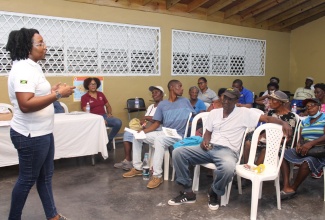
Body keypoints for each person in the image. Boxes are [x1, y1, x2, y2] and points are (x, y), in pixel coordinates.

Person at [168, 87, 292, 210]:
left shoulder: (244, 113)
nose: (226, 101)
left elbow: (267, 118)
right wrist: (205, 141)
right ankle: (188, 192)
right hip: (210, 148)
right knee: (178, 152)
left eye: (230, 99)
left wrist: (283, 123)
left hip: (227, 152)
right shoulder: (214, 113)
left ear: (236, 100)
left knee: (228, 168)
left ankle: (214, 191)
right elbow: (207, 132)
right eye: (225, 97)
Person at [6, 28, 75, 220]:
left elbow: (34, 94)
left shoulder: (32, 66)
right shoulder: (23, 69)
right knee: (27, 180)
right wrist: (58, 94)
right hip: (31, 136)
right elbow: (26, 104)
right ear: (28, 48)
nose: (45, 47)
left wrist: (51, 91)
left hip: (43, 133)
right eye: (40, 43)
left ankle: (52, 216)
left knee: (45, 178)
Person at [123, 80, 195, 189]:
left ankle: (157, 176)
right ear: (172, 87)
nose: (182, 89)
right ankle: (137, 167)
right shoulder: (163, 104)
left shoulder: (184, 101)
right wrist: (143, 131)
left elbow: (193, 117)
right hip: (165, 132)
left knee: (159, 140)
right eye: (179, 86)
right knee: (137, 136)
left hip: (178, 134)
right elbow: (157, 123)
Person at [280, 98, 325, 200]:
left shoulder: (324, 118)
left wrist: (311, 144)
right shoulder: (305, 121)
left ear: (319, 106)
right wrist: (299, 144)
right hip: (305, 149)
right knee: (283, 154)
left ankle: (293, 188)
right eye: (308, 106)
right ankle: (286, 185)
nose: (310, 108)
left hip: (319, 151)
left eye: (312, 105)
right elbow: (300, 138)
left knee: (307, 162)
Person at [114, 86, 164, 170]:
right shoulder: (151, 106)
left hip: (156, 129)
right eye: (153, 93)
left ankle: (137, 166)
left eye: (156, 92)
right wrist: (142, 122)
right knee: (127, 133)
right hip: (146, 128)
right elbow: (146, 120)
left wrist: (147, 118)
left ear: (162, 94)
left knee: (136, 136)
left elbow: (160, 120)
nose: (154, 94)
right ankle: (128, 160)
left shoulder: (164, 105)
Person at [244, 91, 297, 165]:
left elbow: (288, 137)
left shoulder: (290, 116)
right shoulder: (271, 113)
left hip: (281, 143)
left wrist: (271, 141)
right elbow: (267, 129)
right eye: (270, 99)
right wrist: (261, 136)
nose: (270, 102)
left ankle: (254, 170)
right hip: (267, 139)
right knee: (248, 143)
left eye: (273, 100)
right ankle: (247, 164)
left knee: (266, 150)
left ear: (281, 102)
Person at [81, 77, 122, 150]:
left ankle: (108, 140)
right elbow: (86, 112)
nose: (93, 86)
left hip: (104, 116)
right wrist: (99, 120)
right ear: (87, 86)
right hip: (94, 118)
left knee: (118, 122)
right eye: (91, 84)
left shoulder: (101, 94)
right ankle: (99, 144)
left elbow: (108, 106)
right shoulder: (84, 97)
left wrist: (109, 113)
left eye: (94, 84)